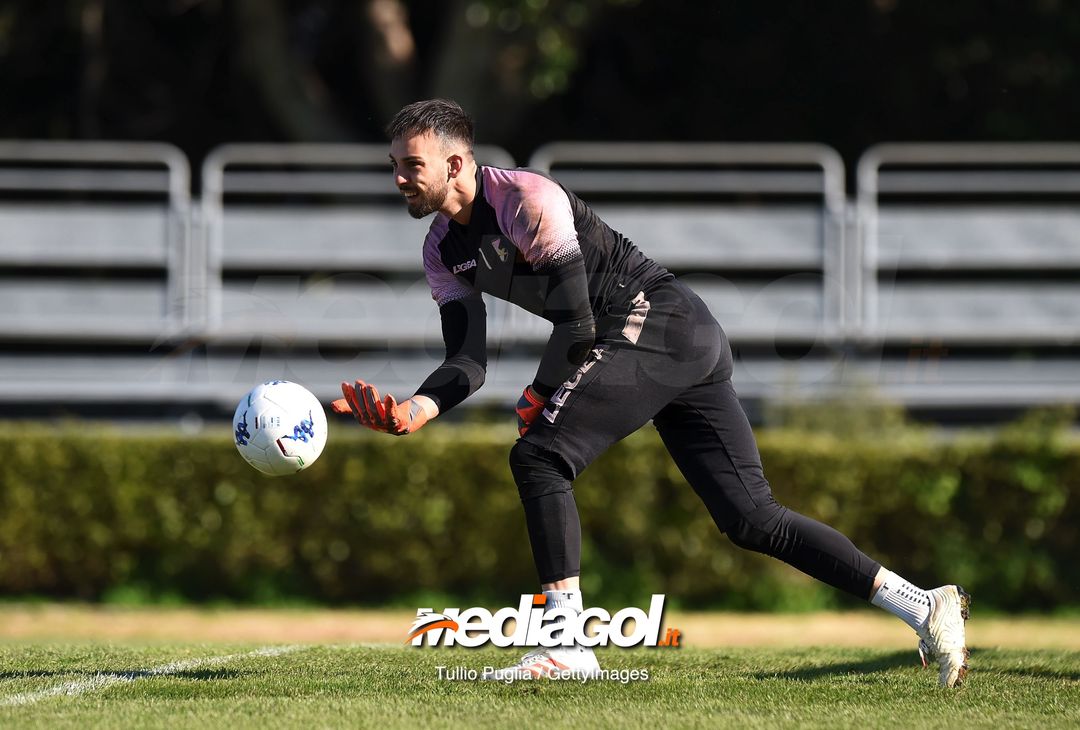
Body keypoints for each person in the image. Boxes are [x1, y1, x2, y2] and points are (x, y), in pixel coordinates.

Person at [330, 98, 970, 687]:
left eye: (412, 165)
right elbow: (467, 360)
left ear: (456, 161)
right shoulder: (442, 249)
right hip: (669, 339)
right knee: (750, 519)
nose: (399, 179)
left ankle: (567, 645)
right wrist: (415, 409)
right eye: (395, 166)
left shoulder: (527, 198)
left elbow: (579, 325)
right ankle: (924, 606)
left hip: (657, 324)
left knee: (538, 456)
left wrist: (541, 393)